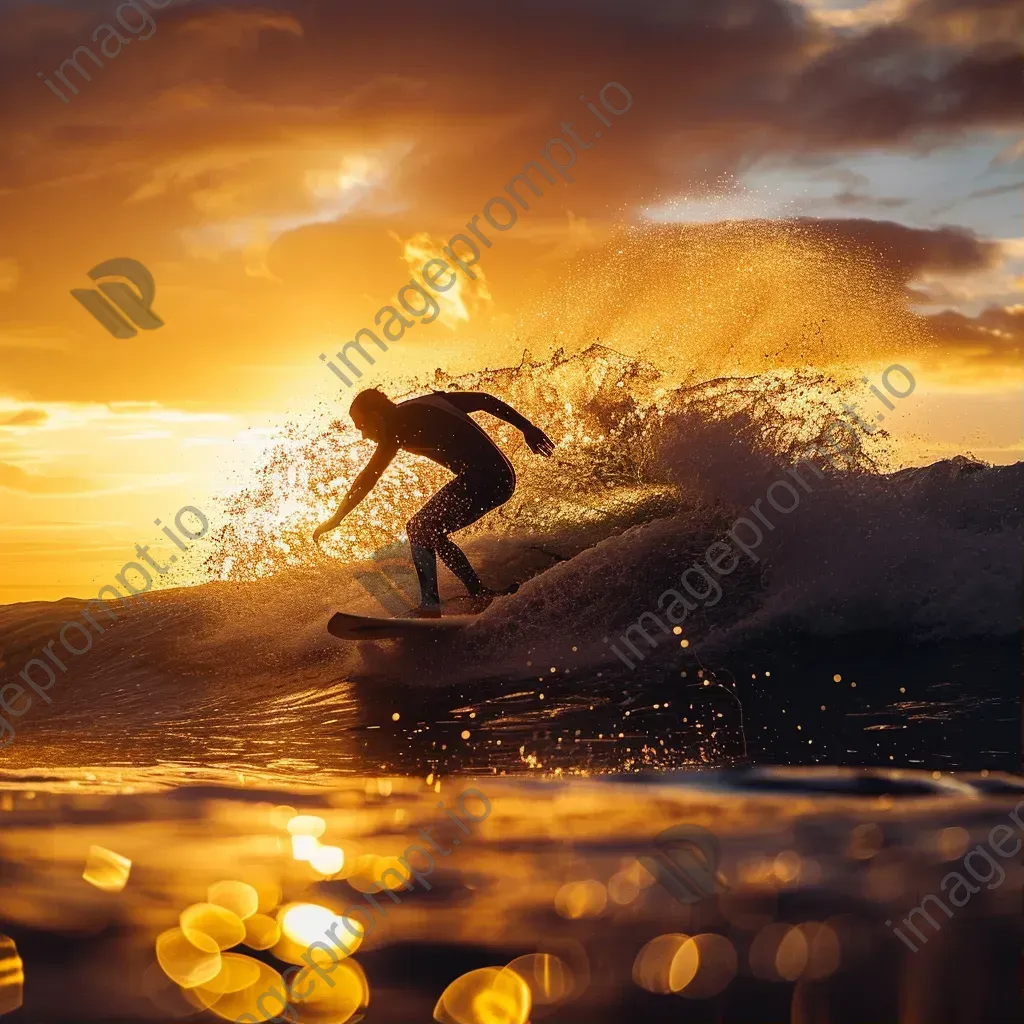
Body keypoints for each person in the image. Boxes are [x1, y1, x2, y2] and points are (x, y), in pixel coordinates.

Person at [314, 388, 554, 617]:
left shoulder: (396, 425)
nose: (364, 435)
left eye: (362, 426)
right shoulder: (422, 403)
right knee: (429, 530)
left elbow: (368, 477)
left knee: (419, 527)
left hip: (486, 478)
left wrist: (337, 518)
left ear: (376, 415)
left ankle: (431, 606)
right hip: (498, 477)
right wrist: (526, 427)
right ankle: (477, 593)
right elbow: (483, 399)